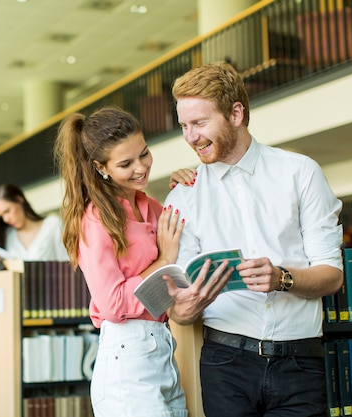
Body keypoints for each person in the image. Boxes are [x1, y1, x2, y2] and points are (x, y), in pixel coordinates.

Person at [164, 61, 344, 417]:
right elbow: (179, 309)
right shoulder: (183, 196)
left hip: (301, 364)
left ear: (235, 113)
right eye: (184, 125)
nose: (190, 137)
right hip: (225, 365)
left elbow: (332, 275)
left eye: (199, 123)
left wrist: (282, 278)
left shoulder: (300, 172)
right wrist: (183, 309)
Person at [53, 106, 230, 417]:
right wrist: (163, 261)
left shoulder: (151, 205)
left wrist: (187, 189)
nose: (141, 167)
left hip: (163, 347)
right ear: (101, 167)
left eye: (144, 154)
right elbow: (112, 304)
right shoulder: (95, 220)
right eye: (126, 163)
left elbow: (186, 253)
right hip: (126, 361)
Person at [0, 183, 69, 261]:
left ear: (19, 199)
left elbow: (66, 263)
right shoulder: (9, 236)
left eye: (7, 211)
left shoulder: (52, 225)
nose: (5, 219)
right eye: (1, 216)